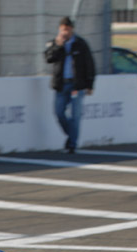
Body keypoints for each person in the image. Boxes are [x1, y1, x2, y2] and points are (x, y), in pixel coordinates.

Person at [44, 17, 95, 153]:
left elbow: (89, 64)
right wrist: (58, 46)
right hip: (61, 84)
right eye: (62, 30)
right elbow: (49, 58)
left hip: (77, 85)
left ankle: (72, 144)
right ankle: (71, 135)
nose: (64, 32)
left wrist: (90, 84)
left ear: (71, 29)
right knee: (59, 112)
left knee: (75, 115)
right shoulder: (54, 43)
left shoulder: (81, 44)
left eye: (67, 29)